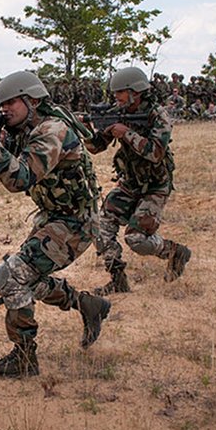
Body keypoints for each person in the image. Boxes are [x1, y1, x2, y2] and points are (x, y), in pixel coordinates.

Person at [0, 71, 110, 379]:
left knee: (12, 274)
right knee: (26, 279)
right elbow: (10, 171)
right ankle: (87, 304)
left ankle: (24, 359)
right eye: (1, 105)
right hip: (56, 216)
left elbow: (19, 179)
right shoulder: (28, 128)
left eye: (11, 103)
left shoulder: (51, 130)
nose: (5, 110)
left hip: (76, 221)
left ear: (31, 100)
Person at [84, 66, 191, 296]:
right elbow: (95, 147)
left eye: (120, 93)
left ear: (136, 92)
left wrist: (126, 134)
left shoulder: (157, 115)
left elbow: (155, 153)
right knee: (100, 229)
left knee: (136, 239)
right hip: (129, 183)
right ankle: (118, 281)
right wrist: (85, 130)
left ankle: (175, 252)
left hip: (155, 185)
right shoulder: (117, 112)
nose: (116, 98)